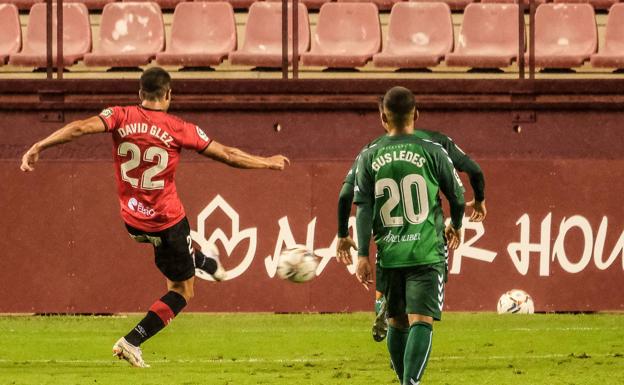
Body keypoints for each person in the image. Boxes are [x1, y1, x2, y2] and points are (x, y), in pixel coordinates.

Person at [20, 67, 290, 368]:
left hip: (133, 221)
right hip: (167, 222)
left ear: (140, 94)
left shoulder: (120, 116)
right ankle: (131, 341)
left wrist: (40, 145)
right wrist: (267, 162)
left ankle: (207, 263)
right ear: (169, 95)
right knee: (182, 290)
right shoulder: (177, 127)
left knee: (176, 258)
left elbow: (81, 127)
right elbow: (226, 154)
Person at [336, 96, 487, 343]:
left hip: (389, 237)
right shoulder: (436, 144)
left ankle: (382, 304)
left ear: (383, 117)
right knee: (421, 313)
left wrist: (343, 233)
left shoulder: (371, 150)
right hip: (426, 239)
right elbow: (474, 171)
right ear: (416, 114)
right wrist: (477, 201)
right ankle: (412, 370)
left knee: (391, 283)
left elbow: (345, 195)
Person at [352, 86, 465, 385]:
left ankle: (404, 379)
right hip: (426, 249)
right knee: (422, 321)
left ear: (382, 117)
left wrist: (363, 254)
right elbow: (457, 195)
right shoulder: (432, 150)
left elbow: (362, 208)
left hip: (389, 254)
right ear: (416, 113)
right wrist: (456, 223)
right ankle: (410, 382)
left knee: (397, 322)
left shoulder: (369, 155)